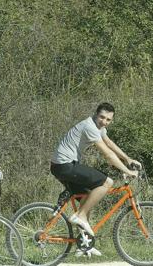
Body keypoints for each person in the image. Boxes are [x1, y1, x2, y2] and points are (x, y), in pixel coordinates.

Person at [50, 102, 141, 256]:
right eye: (102, 117)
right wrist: (126, 171)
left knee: (88, 196)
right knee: (107, 182)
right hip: (65, 165)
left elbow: (110, 143)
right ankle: (79, 216)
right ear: (95, 114)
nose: (104, 122)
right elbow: (107, 153)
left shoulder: (99, 127)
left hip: (62, 165)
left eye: (108, 120)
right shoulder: (90, 126)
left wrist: (128, 159)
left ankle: (84, 244)